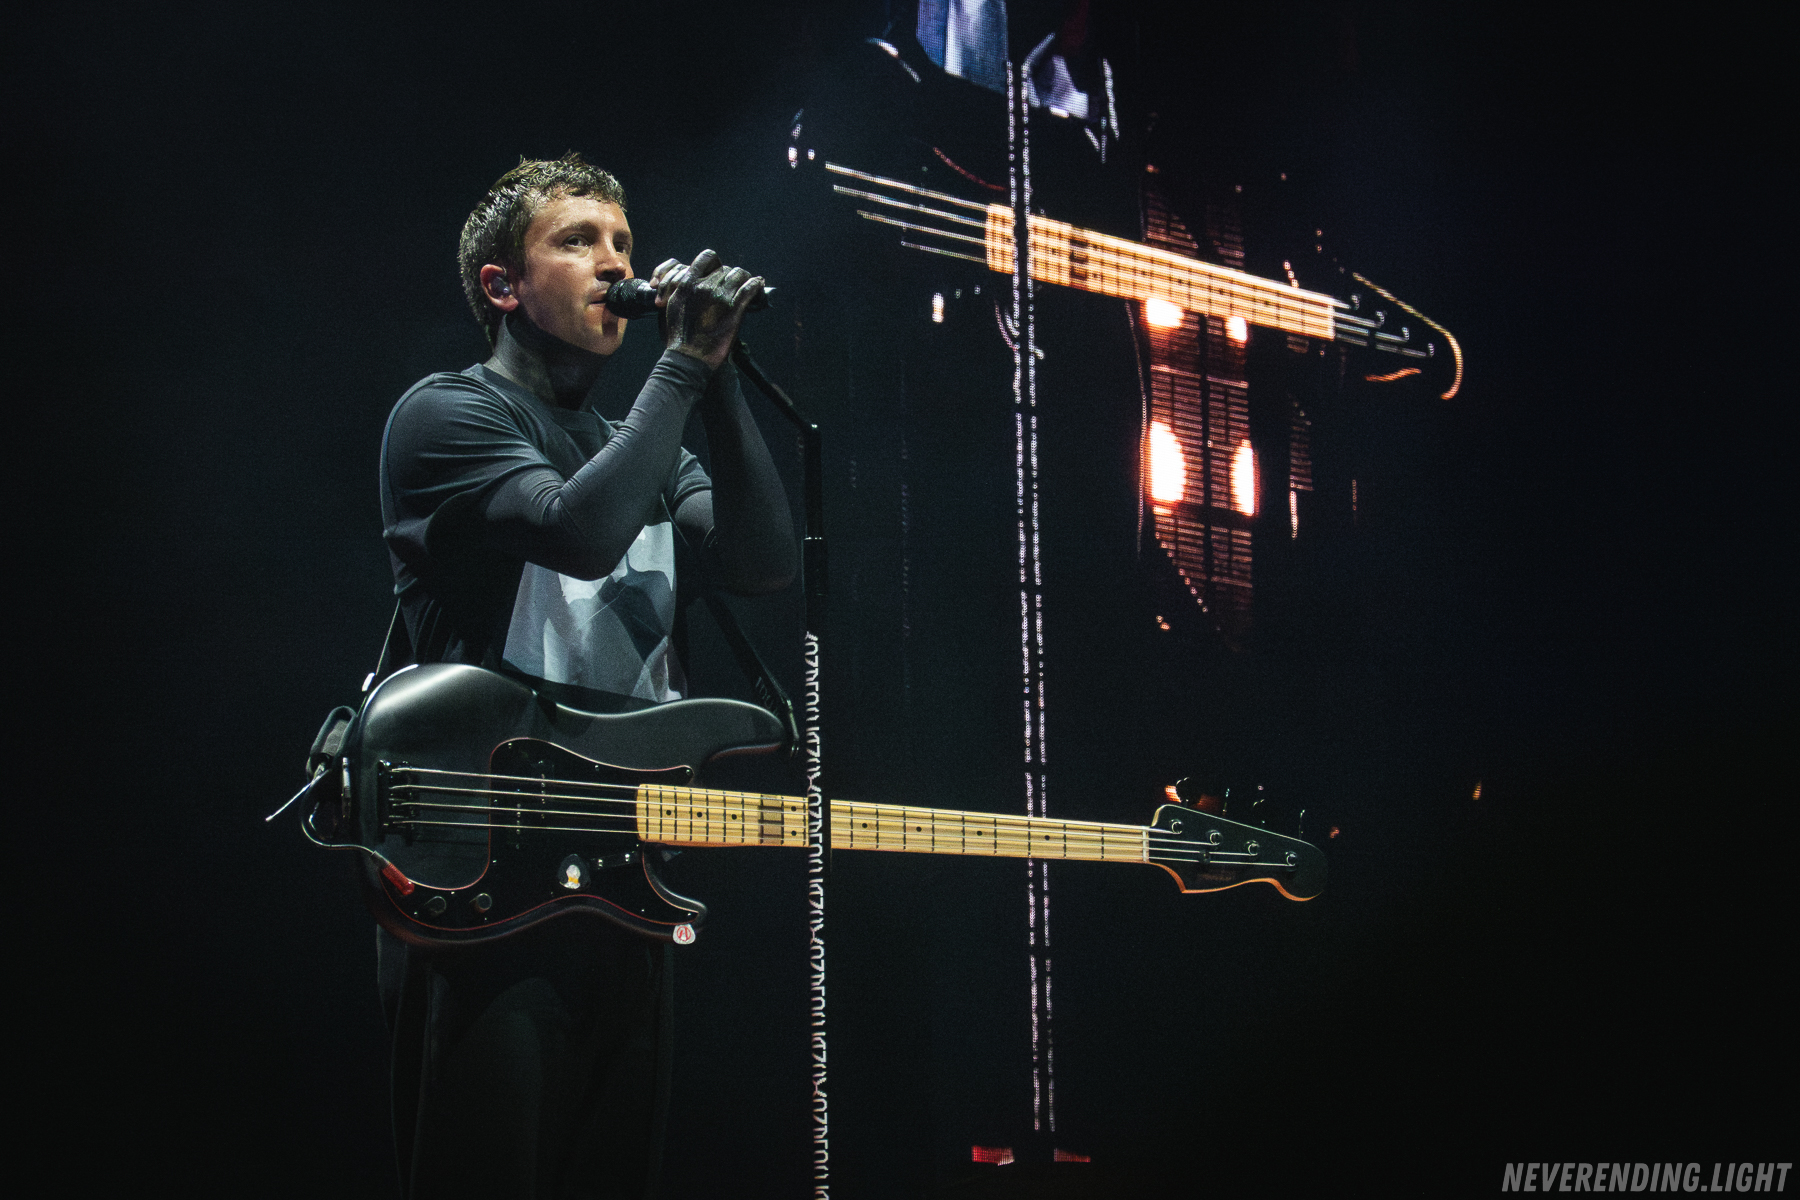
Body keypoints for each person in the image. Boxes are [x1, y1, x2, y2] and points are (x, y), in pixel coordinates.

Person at [375, 153, 796, 1200]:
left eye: (623, 242)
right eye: (577, 241)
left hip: (621, 881)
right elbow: (579, 532)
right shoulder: (445, 416)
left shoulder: (643, 444)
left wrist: (718, 378)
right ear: (502, 286)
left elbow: (761, 565)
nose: (616, 264)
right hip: (486, 886)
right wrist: (681, 369)